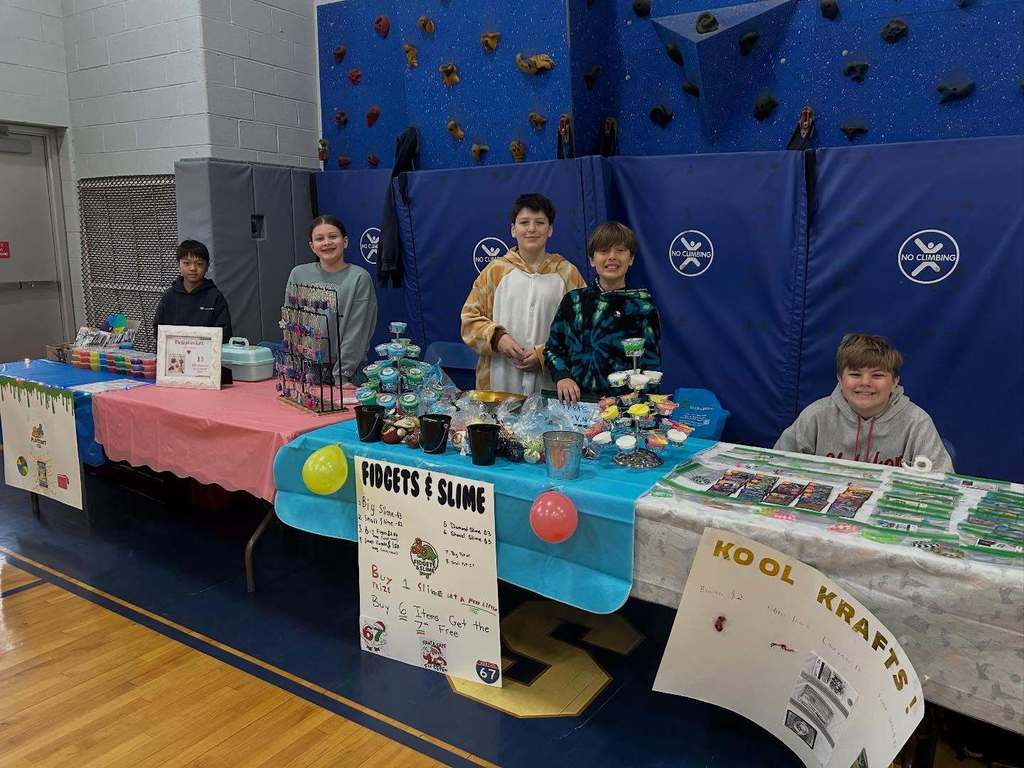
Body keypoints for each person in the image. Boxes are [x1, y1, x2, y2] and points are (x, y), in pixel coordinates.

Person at [461, 193, 585, 394]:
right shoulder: (495, 271)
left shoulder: (567, 273)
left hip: (551, 387)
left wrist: (544, 355)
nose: (531, 229)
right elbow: (469, 320)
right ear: (513, 229)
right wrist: (497, 338)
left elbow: (582, 329)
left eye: (540, 222)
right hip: (497, 384)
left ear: (550, 229)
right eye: (524, 222)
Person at [775, 333, 953, 471]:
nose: (865, 382)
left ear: (894, 382)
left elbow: (942, 481)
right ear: (840, 379)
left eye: (877, 375)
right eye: (855, 374)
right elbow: (775, 465)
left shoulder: (917, 422)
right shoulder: (815, 416)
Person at [544, 222, 662, 403]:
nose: (612, 257)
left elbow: (651, 365)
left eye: (620, 250)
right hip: (577, 406)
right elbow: (553, 349)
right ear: (592, 259)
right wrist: (563, 376)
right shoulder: (573, 301)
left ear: (631, 258)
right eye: (604, 251)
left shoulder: (643, 306)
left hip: (623, 410)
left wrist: (642, 409)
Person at [285, 215, 378, 384]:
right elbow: (291, 322)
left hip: (347, 371)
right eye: (320, 239)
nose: (327, 242)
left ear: (345, 241)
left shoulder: (359, 278)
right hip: (306, 368)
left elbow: (357, 332)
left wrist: (342, 374)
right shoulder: (298, 274)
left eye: (333, 236)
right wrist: (295, 364)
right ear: (312, 247)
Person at [153, 239, 232, 339]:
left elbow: (224, 333)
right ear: (178, 265)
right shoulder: (169, 296)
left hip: (205, 353)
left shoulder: (215, 297)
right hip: (175, 353)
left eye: (199, 264)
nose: (193, 268)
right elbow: (159, 330)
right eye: (186, 263)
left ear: (207, 266)